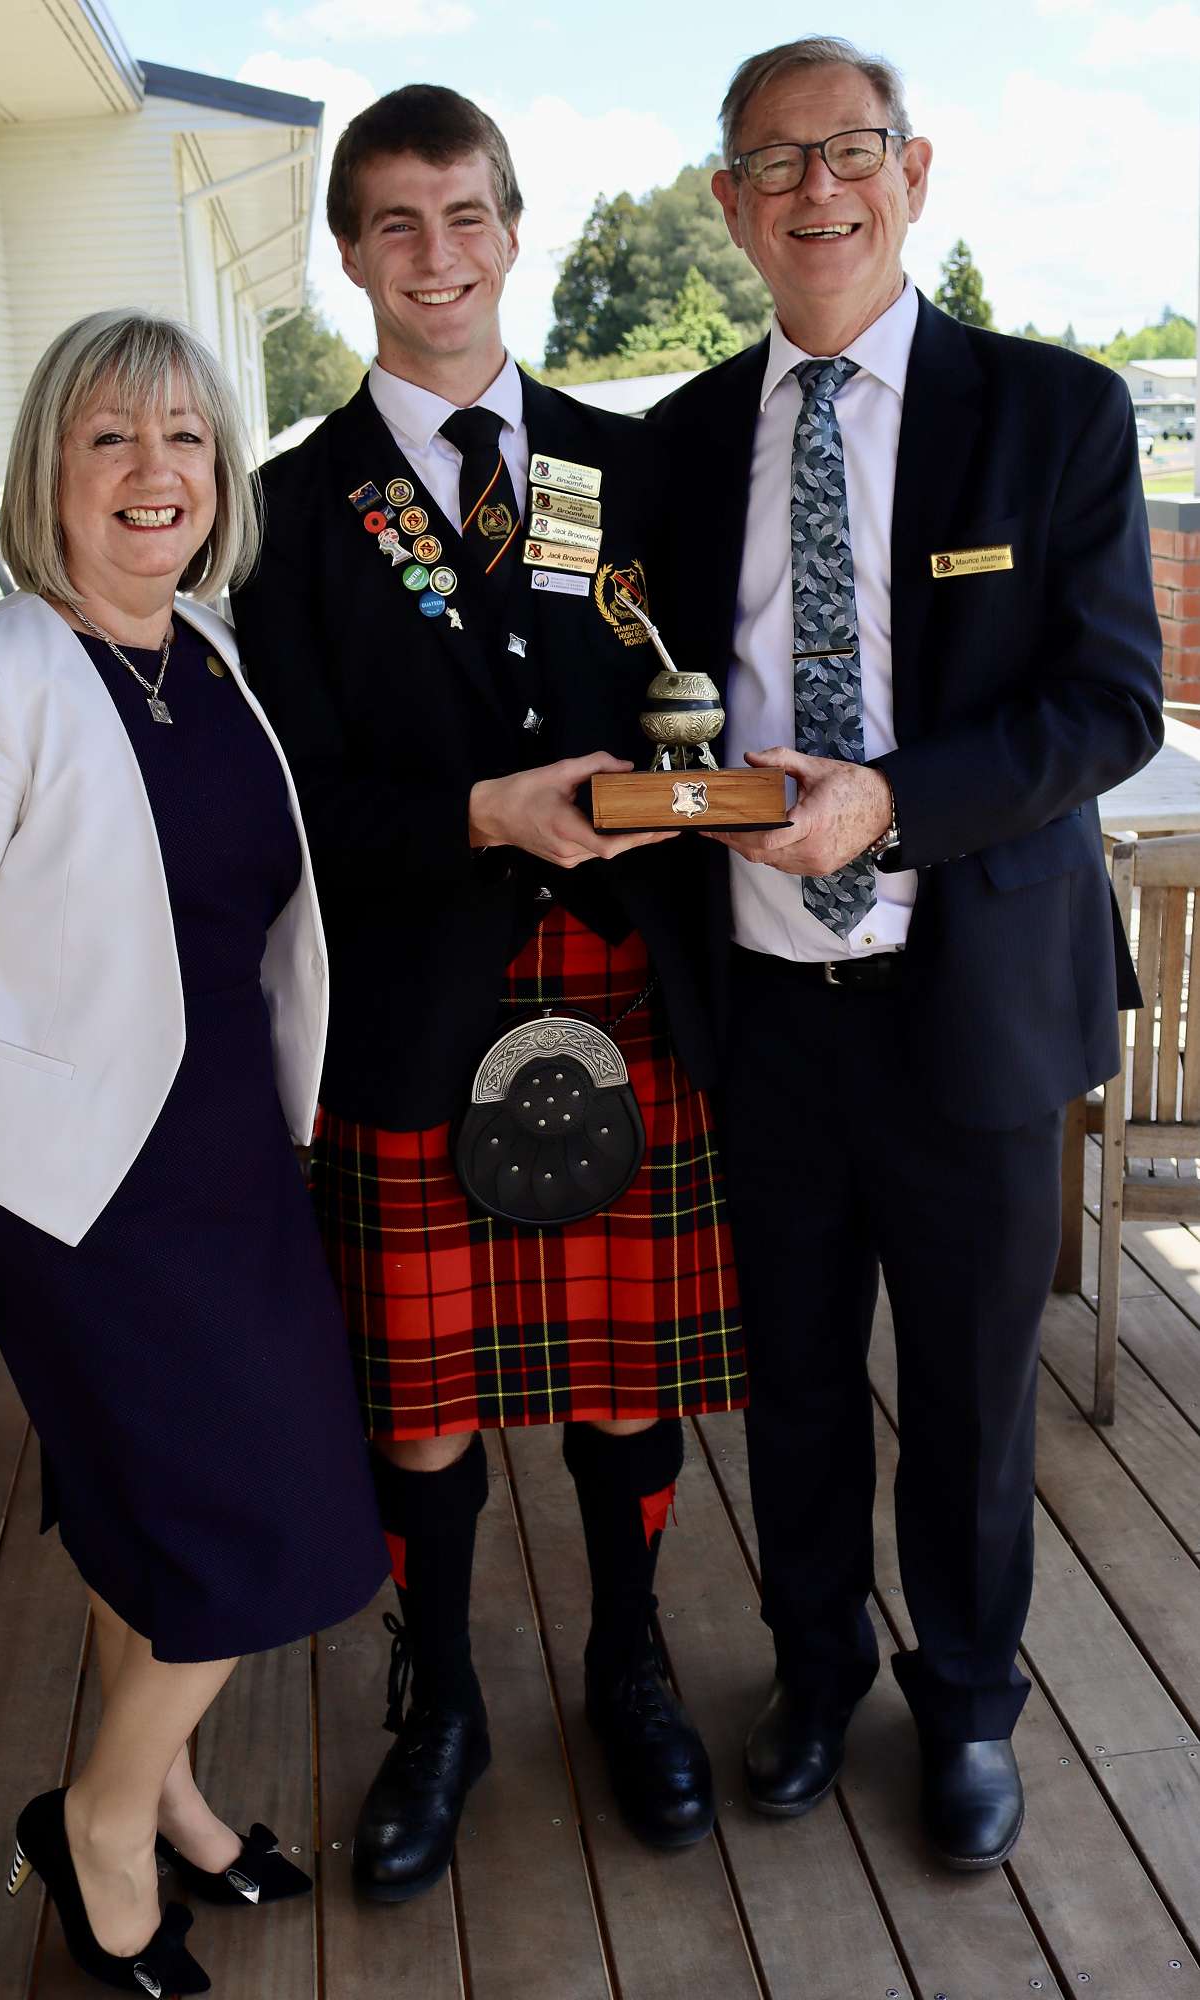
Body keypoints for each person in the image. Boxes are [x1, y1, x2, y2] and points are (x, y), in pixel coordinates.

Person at [648, 38, 1163, 1868]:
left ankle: (964, 1704)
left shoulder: (1051, 414)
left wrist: (890, 800)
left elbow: (1108, 703)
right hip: (761, 1001)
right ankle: (812, 1675)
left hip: (972, 1000)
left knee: (965, 1392)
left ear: (911, 171)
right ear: (729, 204)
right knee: (789, 1381)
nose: (817, 191)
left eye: (848, 151)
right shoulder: (675, 444)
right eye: (774, 164)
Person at [232, 85, 745, 1903]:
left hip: (626, 984)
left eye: (464, 215)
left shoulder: (631, 467)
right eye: (395, 222)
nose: (434, 255)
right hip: (413, 997)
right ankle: (436, 1697)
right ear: (349, 253)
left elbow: (710, 705)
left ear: (513, 230)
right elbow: (291, 792)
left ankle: (630, 1664)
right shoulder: (290, 509)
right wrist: (476, 810)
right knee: (422, 1399)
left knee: (622, 1373)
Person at [0, 309, 388, 1993]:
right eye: (110, 438)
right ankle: (89, 1826)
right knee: (257, 1527)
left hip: (229, 1147)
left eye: (186, 438)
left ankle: (172, 1801)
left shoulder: (208, 649)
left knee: (141, 1515)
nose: (156, 471)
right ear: (50, 473)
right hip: (80, 1185)